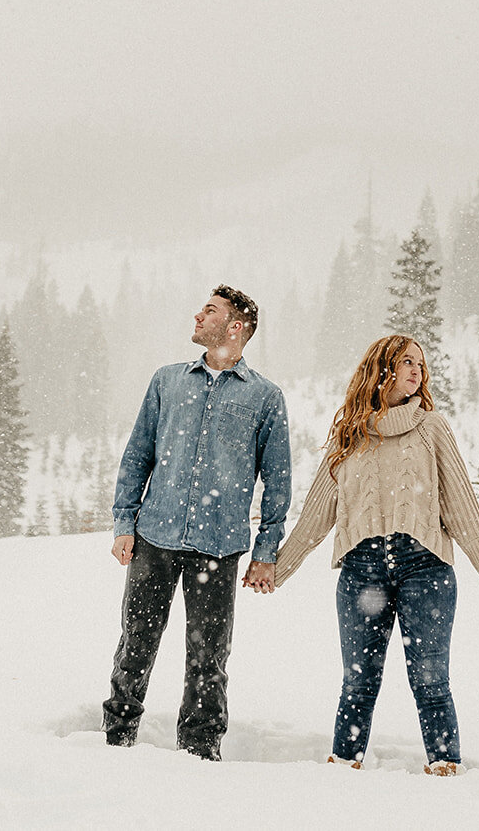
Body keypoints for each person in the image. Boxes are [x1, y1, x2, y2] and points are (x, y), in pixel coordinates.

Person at [268, 334, 479, 776]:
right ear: (382, 371)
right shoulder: (349, 434)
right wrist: (276, 570)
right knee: (358, 680)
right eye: (406, 362)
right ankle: (343, 766)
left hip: (426, 568)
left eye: (421, 363)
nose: (417, 371)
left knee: (431, 681)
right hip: (362, 572)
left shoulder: (431, 426)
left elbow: (460, 504)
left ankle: (445, 767)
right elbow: (318, 512)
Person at [102, 285, 291, 761]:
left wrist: (267, 551)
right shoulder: (167, 381)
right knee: (137, 641)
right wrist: (125, 521)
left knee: (209, 657)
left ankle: (201, 751)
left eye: (210, 311)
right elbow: (137, 456)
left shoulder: (265, 398)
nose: (197, 315)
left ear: (235, 327)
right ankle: (117, 739)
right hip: (155, 537)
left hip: (218, 545)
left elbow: (278, 481)